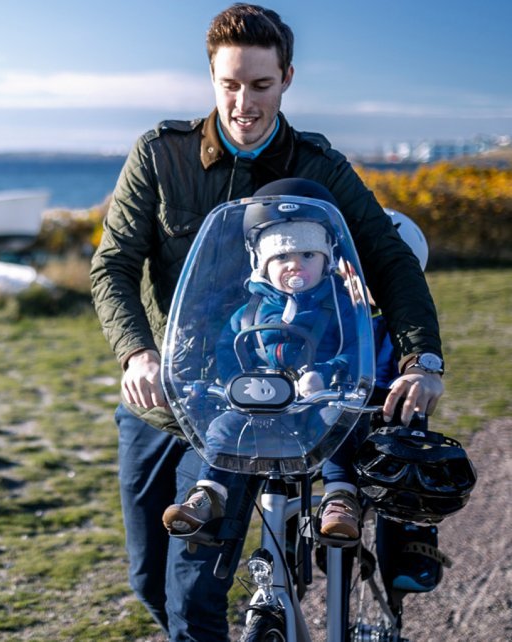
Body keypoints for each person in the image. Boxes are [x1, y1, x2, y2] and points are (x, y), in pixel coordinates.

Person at [89, 4, 445, 640]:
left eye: (260, 84)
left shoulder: (320, 165)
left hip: (276, 399)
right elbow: (111, 265)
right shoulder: (159, 155)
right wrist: (136, 354)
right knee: (151, 578)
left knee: (194, 584)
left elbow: (391, 260)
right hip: (169, 396)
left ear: (286, 79)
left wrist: (422, 360)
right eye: (230, 84)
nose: (243, 103)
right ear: (212, 79)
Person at [162, 212, 363, 540]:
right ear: (262, 264)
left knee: (336, 421)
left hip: (316, 400)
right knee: (223, 427)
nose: (295, 265)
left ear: (326, 262)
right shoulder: (247, 313)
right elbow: (227, 351)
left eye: (308, 255)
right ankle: (208, 493)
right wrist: (232, 385)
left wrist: (326, 374)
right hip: (260, 404)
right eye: (282, 256)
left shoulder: (341, 309)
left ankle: (339, 497)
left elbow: (357, 350)